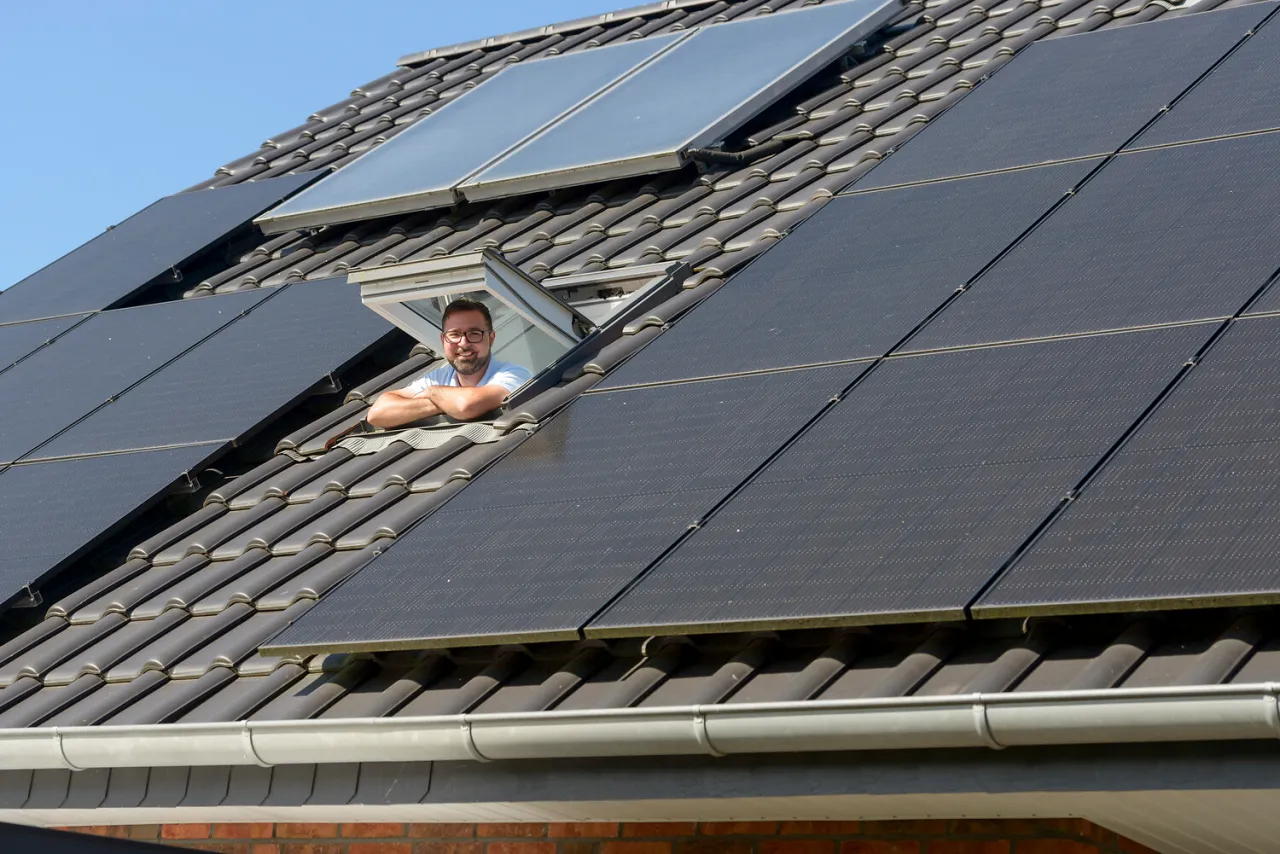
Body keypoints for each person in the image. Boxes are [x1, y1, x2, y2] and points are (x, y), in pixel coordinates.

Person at [367, 298, 532, 428]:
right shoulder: (439, 377)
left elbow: (466, 406)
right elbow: (377, 414)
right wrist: (443, 403)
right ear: (443, 340)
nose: (464, 343)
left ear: (491, 338)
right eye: (454, 335)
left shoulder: (514, 375)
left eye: (474, 333)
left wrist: (432, 393)